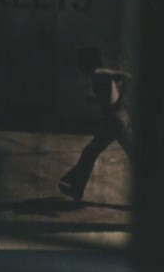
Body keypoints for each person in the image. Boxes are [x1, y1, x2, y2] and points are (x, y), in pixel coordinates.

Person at [57, 46, 135, 202]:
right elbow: (110, 92)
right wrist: (99, 100)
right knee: (90, 152)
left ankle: (75, 184)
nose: (80, 67)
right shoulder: (100, 74)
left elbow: (128, 78)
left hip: (115, 120)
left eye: (81, 63)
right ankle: (75, 185)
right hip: (118, 118)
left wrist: (118, 101)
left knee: (90, 152)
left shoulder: (99, 72)